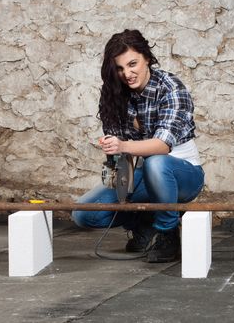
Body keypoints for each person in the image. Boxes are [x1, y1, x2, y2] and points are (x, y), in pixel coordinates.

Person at [72, 29, 204, 263]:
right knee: (83, 213)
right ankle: (145, 225)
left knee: (156, 161)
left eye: (133, 64)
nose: (127, 74)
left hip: (183, 174)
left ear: (147, 58)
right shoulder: (115, 92)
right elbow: (123, 157)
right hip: (142, 173)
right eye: (120, 68)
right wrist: (113, 155)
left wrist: (123, 145)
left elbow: (163, 146)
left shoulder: (171, 88)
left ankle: (167, 233)